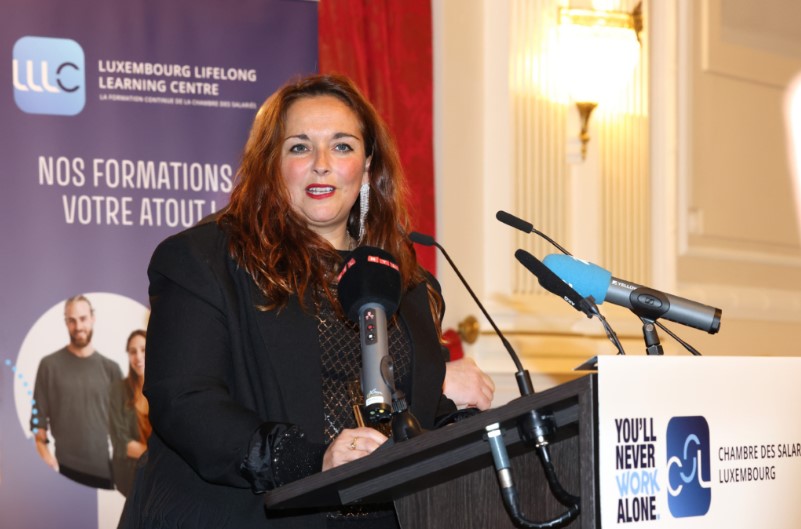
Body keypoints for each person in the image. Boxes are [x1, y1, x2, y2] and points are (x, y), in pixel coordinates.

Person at [119, 74, 493, 529]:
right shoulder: (204, 259)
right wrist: (312, 462)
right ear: (270, 165)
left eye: (342, 146)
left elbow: (412, 416)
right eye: (299, 147)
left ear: (367, 166)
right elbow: (186, 402)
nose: (321, 164)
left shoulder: (405, 280)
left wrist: (459, 423)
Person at [30, 294, 123, 489]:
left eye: (83, 318)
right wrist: (45, 455)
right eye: (71, 320)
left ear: (93, 318)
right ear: (66, 322)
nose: (78, 326)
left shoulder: (111, 369)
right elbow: (38, 419)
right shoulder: (49, 366)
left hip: (104, 473)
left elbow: (124, 426)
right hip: (62, 471)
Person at [109, 329, 150, 496]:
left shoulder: (165, 389)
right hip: (129, 475)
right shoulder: (118, 390)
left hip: (161, 476)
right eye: (133, 352)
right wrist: (158, 457)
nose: (138, 357)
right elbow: (120, 442)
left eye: (143, 349)